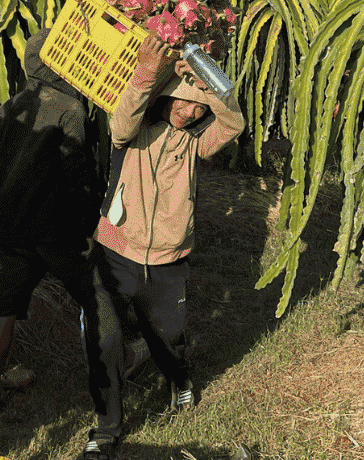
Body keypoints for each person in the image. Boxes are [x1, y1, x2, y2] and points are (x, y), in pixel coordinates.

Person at [80, 34, 245, 460]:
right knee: (106, 340)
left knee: (168, 336)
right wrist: (146, 74)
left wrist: (208, 83)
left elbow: (234, 124)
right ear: (164, 97)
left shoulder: (195, 143)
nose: (190, 112)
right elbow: (119, 123)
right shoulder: (132, 135)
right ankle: (107, 427)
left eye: (198, 108)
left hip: (168, 260)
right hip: (115, 252)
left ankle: (180, 380)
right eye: (183, 102)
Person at [0, 28, 102, 419]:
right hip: (54, 230)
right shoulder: (70, 108)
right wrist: (91, 221)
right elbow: (75, 170)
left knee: (5, 306)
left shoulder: (6, 107)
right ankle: (118, 368)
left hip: (13, 229)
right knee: (98, 296)